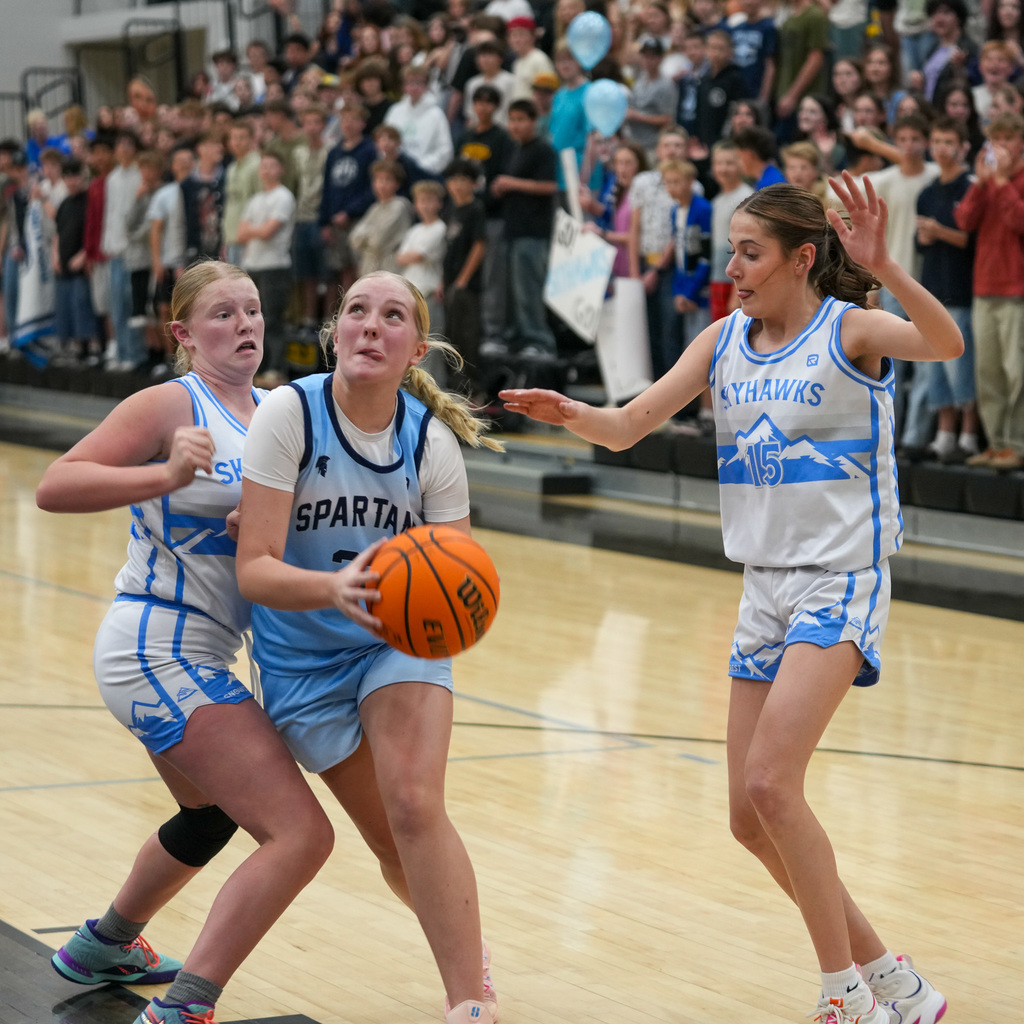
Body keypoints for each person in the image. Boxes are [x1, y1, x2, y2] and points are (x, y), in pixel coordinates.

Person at [500, 175, 957, 1024]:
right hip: (762, 584)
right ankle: (896, 982)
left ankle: (844, 996)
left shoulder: (850, 330)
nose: (734, 268)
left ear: (802, 259)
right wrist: (569, 412)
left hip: (839, 577)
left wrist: (886, 265)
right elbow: (631, 424)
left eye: (750, 253)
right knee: (750, 819)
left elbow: (945, 342)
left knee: (775, 784)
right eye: (731, 252)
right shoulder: (722, 339)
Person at [36, 261, 334, 1024]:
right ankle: (184, 1009)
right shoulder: (172, 401)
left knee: (209, 814)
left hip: (197, 652)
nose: (244, 325)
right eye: (224, 313)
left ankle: (104, 943)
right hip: (155, 647)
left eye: (254, 311)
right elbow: (57, 486)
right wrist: (164, 477)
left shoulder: (277, 410)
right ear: (183, 333)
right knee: (299, 834)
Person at [234, 270, 502, 1024]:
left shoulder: (431, 442)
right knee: (391, 841)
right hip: (301, 659)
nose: (370, 325)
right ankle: (465, 941)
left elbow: (456, 579)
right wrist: (336, 587)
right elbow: (254, 568)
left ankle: (469, 999)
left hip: (396, 641)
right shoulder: (289, 413)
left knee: (416, 806)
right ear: (336, 332)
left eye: (391, 316)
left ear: (416, 348)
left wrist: (443, 604)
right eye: (356, 311)